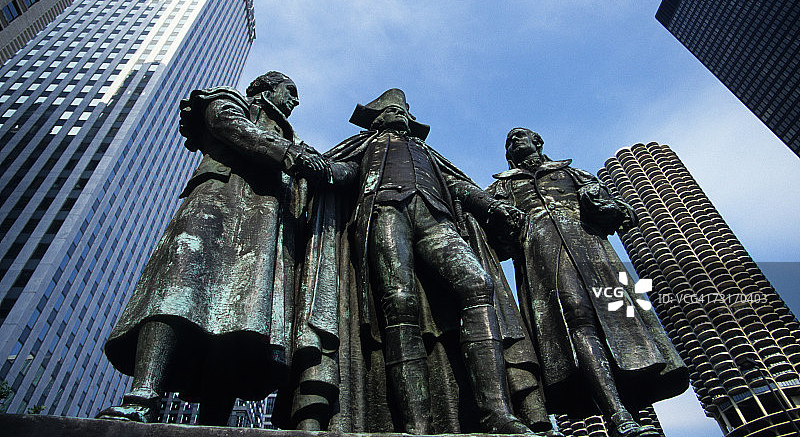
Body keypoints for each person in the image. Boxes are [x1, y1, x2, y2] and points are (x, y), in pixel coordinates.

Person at [277, 89, 555, 435]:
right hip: (385, 212)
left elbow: (458, 185)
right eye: (392, 111)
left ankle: (496, 412)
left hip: (436, 218)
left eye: (403, 112)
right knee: (399, 304)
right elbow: (346, 172)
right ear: (377, 119)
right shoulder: (367, 145)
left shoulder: (426, 151)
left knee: (478, 285)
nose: (400, 116)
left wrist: (491, 206)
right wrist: (319, 168)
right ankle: (417, 425)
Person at [98, 72, 328, 424]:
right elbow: (232, 127)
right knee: (176, 291)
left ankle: (215, 420)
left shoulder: (293, 138)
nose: (294, 102)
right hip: (218, 203)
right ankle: (141, 397)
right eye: (290, 92)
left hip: (264, 227)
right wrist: (290, 155)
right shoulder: (230, 101)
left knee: (241, 320)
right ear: (267, 88)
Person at [486, 128, 688, 437]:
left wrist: (607, 205)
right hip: (542, 253)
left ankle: (629, 412)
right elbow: (489, 230)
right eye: (509, 142)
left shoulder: (571, 172)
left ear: (538, 142)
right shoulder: (502, 186)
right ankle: (618, 414)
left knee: (617, 323)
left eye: (519, 137)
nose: (513, 144)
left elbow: (618, 211)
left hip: (589, 248)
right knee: (576, 316)